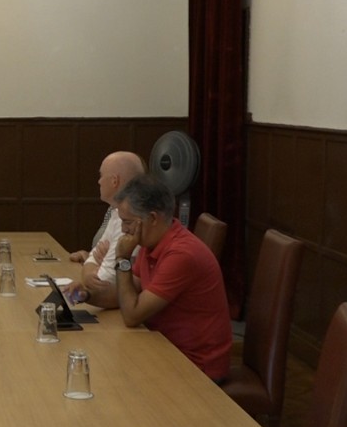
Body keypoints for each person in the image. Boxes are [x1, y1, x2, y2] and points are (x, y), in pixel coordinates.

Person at [112, 174, 232, 382]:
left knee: (115, 378)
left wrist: (122, 259)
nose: (124, 230)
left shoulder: (181, 254)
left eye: (127, 222)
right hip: (165, 347)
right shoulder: (151, 242)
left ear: (152, 218)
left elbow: (132, 315)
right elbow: (131, 290)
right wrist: (87, 294)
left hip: (195, 365)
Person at [64, 151, 145, 308]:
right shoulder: (115, 211)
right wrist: (91, 271)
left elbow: (104, 281)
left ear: (114, 181)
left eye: (101, 176)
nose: (99, 181)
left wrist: (93, 271)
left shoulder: (130, 218)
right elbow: (93, 258)